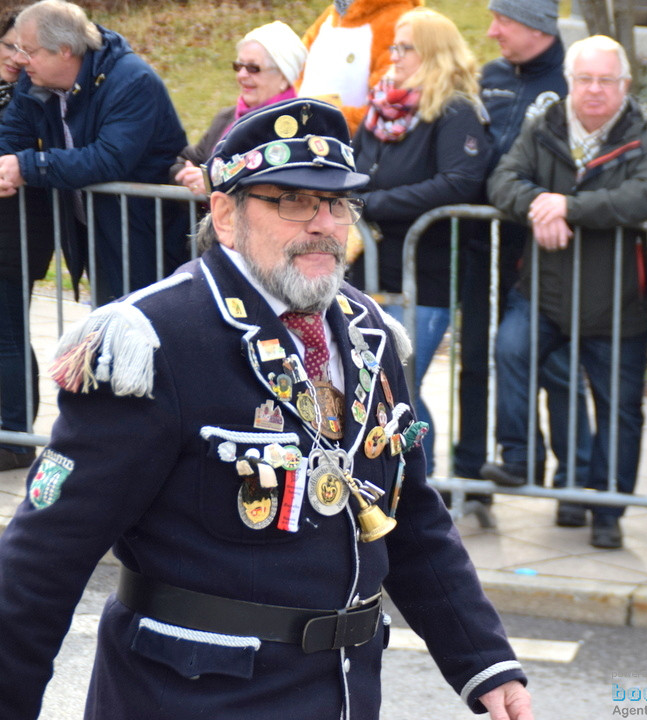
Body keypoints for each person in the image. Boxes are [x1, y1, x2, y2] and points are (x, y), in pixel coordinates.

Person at [0, 97, 531, 720]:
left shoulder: (372, 333)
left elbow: (408, 516)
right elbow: (44, 561)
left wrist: (485, 664)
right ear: (225, 215)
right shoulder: (155, 341)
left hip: (343, 697)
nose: (323, 224)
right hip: (190, 698)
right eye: (291, 202)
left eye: (337, 204)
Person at [486, 35, 647, 549]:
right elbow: (502, 181)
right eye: (584, 79)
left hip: (617, 300)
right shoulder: (542, 126)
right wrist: (537, 202)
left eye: (605, 80)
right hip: (544, 290)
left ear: (625, 86)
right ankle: (521, 456)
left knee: (620, 408)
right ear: (569, 82)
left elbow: (646, 195)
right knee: (513, 349)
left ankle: (607, 510)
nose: (594, 90)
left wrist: (566, 208)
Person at [459, 0, 593, 528]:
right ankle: (474, 482)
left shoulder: (569, 80)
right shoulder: (488, 77)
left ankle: (574, 486)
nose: (491, 32)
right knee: (474, 362)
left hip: (545, 251)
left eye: (503, 22)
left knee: (556, 367)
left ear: (536, 26)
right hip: (478, 246)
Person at [349, 6, 491, 474]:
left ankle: (418, 494)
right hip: (368, 270)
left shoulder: (456, 111)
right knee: (378, 389)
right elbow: (358, 172)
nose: (395, 55)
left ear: (432, 52)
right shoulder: (382, 105)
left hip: (424, 275)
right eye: (394, 46)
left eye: (404, 47)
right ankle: (402, 487)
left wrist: (374, 203)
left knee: (398, 386)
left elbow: (458, 183)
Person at [0, 0, 188, 306]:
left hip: (146, 236)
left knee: (149, 333)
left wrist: (28, 166)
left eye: (29, 51)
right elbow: (12, 135)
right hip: (92, 231)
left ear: (64, 50)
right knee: (106, 330)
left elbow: (109, 158)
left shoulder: (132, 81)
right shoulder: (33, 81)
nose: (20, 60)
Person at [0, 6, 54, 472]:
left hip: (18, 232)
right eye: (9, 46)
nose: (17, 57)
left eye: (25, 49)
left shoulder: (31, 96)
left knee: (10, 333)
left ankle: (17, 437)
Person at [173, 20, 307, 195]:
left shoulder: (298, 126)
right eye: (239, 66)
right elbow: (185, 159)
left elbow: (277, 185)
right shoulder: (226, 118)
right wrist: (189, 176)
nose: (242, 75)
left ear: (283, 77)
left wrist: (213, 182)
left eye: (253, 68)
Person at [297, 0, 421, 135]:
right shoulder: (332, 14)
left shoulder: (394, 19)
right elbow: (297, 70)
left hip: (349, 144)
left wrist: (329, 118)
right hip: (304, 136)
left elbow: (389, 103)